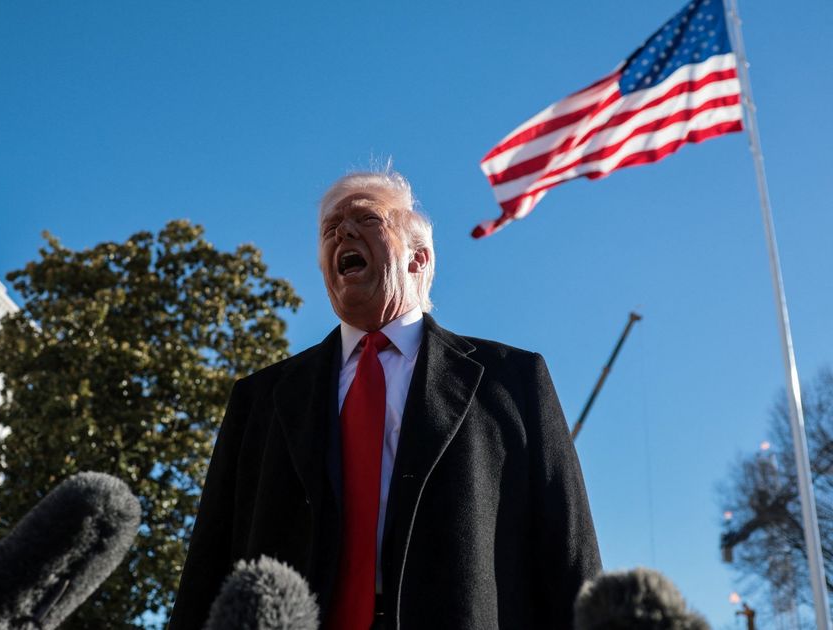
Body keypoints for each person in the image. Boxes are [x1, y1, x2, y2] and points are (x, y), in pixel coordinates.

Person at [169, 169, 601, 629]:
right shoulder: (260, 398)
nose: (343, 233)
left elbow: (569, 554)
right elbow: (207, 567)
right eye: (330, 228)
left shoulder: (512, 380)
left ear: (419, 258)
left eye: (367, 219)